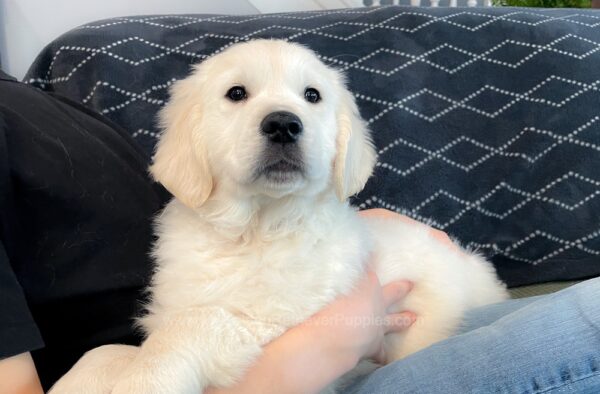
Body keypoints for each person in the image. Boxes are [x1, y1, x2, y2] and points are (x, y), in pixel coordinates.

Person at [1, 70, 599, 394]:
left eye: (310, 98)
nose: (283, 118)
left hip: (402, 316)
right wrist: (342, 329)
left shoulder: (41, 98)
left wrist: (368, 231)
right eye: (238, 94)